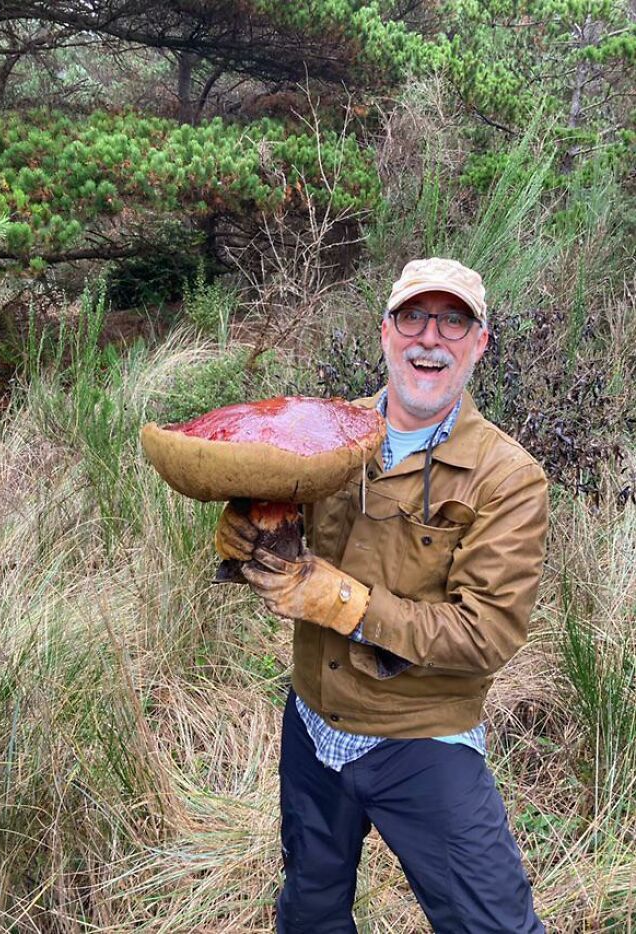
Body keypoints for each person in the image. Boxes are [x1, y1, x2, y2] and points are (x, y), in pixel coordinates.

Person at [215, 257, 548, 933]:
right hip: (313, 721)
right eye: (413, 317)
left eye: (453, 322)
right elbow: (284, 532)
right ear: (386, 332)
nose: (431, 337)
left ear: (480, 343)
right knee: (310, 908)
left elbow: (486, 634)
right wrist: (251, 535)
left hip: (421, 738)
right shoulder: (328, 435)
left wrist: (344, 602)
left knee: (493, 923)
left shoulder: (507, 478)